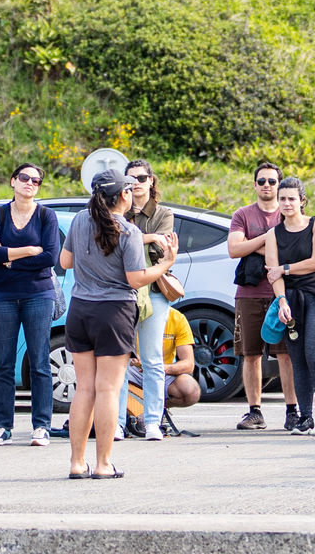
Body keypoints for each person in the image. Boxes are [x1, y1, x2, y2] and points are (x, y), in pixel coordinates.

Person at [61, 170, 176, 479]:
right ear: (124, 195)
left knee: (84, 388)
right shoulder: (128, 231)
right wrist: (166, 263)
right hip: (113, 311)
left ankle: (76, 462)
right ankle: (102, 464)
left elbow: (65, 262)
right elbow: (136, 278)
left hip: (80, 308)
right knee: (109, 390)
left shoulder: (79, 221)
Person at [0, 163, 63, 447]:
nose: (31, 183)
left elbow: (50, 257)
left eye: (37, 181)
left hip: (38, 294)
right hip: (2, 295)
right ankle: (2, 426)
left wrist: (8, 258)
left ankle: (41, 425)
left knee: (40, 361)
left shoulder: (46, 216)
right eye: (26, 178)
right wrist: (28, 250)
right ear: (13, 181)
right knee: (3, 364)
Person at [266, 177, 315, 437]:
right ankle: (305, 418)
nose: (287, 203)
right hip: (291, 298)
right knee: (297, 358)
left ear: (302, 200)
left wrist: (285, 269)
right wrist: (281, 301)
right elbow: (272, 273)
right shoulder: (273, 234)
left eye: (292, 198)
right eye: (282, 199)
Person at [227, 162, 298, 431]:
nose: (266, 185)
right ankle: (254, 411)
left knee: (286, 354)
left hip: (284, 294)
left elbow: (293, 251)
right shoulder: (242, 215)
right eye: (261, 181)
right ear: (254, 185)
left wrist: (255, 243)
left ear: (279, 185)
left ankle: (292, 410)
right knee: (251, 354)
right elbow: (234, 248)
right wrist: (268, 241)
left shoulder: (289, 211)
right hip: (249, 293)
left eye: (271, 181)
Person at [121, 159, 180, 441]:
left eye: (142, 178)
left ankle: (153, 422)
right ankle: (118, 421)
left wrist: (138, 239)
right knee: (119, 359)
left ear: (152, 181)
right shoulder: (117, 210)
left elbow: (163, 247)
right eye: (130, 179)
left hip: (154, 289)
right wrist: (148, 237)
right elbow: (112, 240)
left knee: (152, 358)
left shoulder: (163, 212)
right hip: (121, 291)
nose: (136, 183)